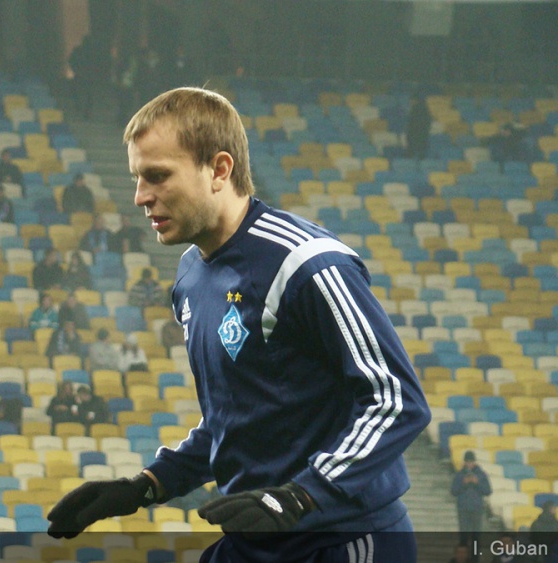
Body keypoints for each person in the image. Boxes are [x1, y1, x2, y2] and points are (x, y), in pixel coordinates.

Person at [46, 88, 431, 562]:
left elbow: (398, 400)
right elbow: (235, 419)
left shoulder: (306, 264)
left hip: (342, 541)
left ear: (219, 170)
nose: (141, 196)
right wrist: (147, 485)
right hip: (256, 541)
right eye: (137, 178)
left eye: (158, 176)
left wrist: (303, 495)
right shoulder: (190, 276)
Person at [452, 450, 492, 550]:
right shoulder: (459, 475)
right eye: (467, 461)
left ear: (474, 462)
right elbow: (453, 491)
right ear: (464, 462)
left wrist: (477, 483)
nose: (469, 464)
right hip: (463, 509)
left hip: (477, 509)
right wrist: (463, 483)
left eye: (471, 461)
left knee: (476, 537)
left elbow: (488, 491)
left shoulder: (481, 474)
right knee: (463, 536)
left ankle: (475, 557)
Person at [405, 95, 431, 160]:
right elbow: (428, 122)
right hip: (423, 135)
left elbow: (410, 123)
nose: (410, 102)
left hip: (414, 135)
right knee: (421, 155)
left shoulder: (414, 109)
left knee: (411, 155)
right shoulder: (426, 109)